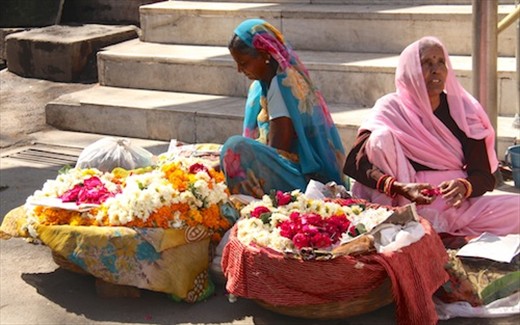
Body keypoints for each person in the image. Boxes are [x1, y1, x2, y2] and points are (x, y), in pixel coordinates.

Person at [344, 36, 519, 237]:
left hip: (455, 206)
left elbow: (485, 177)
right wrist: (400, 188)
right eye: (426, 63)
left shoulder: (464, 111)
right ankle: (403, 225)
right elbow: (354, 163)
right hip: (401, 205)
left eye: (440, 62)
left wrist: (465, 186)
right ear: (410, 70)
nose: (435, 69)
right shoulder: (390, 109)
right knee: (380, 138)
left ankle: (436, 230)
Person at [220, 19, 346, 198]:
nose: (240, 70)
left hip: (306, 182)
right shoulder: (263, 85)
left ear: (264, 55)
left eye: (244, 63)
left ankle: (246, 207)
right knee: (219, 154)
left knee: (235, 148)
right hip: (295, 172)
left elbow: (279, 152)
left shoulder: (283, 87)